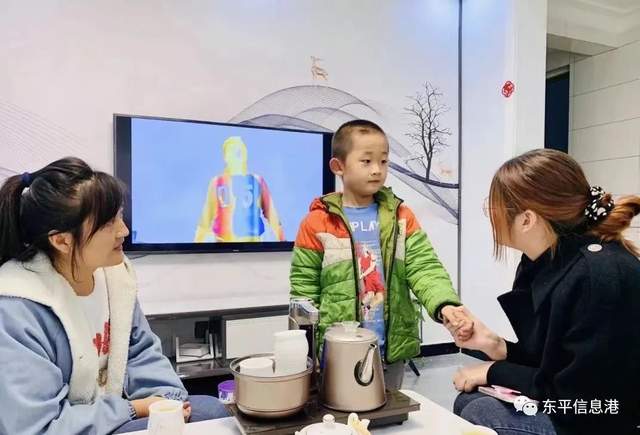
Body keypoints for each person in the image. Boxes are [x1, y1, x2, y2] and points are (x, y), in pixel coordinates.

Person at [0, 157, 228, 434]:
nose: (124, 231)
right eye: (109, 223)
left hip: (106, 414)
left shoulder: (115, 280)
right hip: (69, 428)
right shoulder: (16, 307)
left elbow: (141, 351)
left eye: (120, 215)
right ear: (61, 240)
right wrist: (135, 408)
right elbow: (37, 426)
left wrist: (167, 399)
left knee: (210, 411)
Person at [448, 149, 640, 435]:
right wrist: (495, 346)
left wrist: (493, 370)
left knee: (481, 411)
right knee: (469, 401)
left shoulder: (598, 274)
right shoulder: (543, 263)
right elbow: (554, 364)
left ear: (526, 220)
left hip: (603, 419)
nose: (490, 213)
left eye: (495, 205)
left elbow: (577, 397)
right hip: (577, 405)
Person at [289, 120, 472, 390]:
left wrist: (445, 305)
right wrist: (306, 349)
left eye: (383, 161)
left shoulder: (401, 216)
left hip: (390, 351)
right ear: (338, 166)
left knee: (389, 411)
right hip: (338, 351)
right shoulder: (317, 222)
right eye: (366, 161)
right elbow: (304, 291)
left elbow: (424, 267)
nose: (377, 169)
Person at [195, 136, 285, 242]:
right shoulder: (217, 182)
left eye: (239, 151)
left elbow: (273, 217)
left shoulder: (257, 180)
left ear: (244, 154)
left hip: (253, 245)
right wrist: (195, 244)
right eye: (231, 151)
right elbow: (205, 221)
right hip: (222, 245)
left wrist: (284, 242)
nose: (236, 154)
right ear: (225, 157)